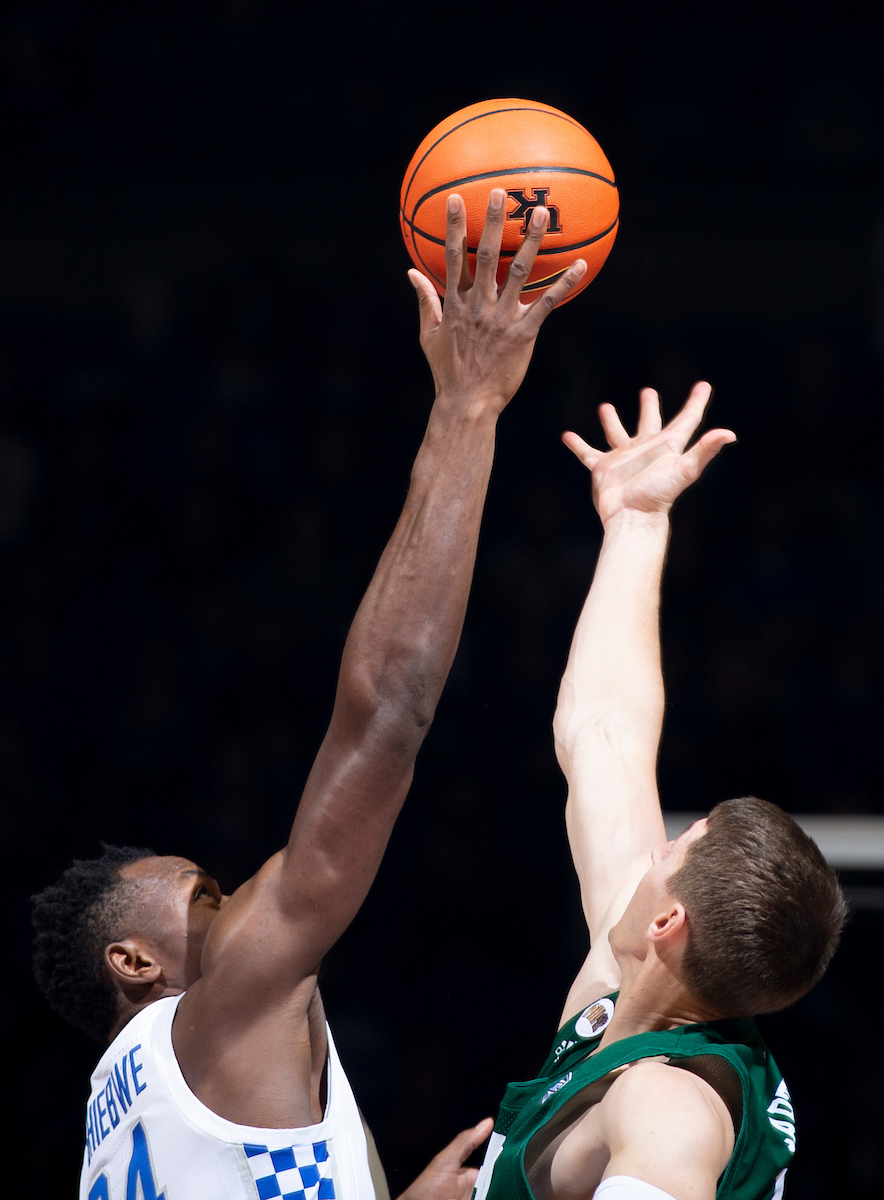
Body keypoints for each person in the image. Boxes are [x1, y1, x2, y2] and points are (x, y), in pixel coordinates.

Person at [31, 191, 589, 1200]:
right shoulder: (221, 1006)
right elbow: (383, 717)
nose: (237, 899)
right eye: (205, 898)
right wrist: (468, 405)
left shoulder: (115, 1127)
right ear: (134, 960)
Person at [472, 383, 847, 1200]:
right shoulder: (628, 980)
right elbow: (603, 734)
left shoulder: (671, 1104)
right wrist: (637, 524)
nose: (657, 847)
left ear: (669, 920)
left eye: (675, 849)